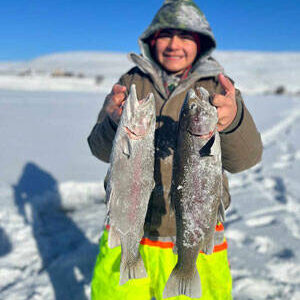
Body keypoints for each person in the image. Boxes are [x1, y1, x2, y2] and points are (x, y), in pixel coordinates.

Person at [88, 0, 263, 299]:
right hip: (131, 228)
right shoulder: (132, 82)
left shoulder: (219, 87)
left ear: (201, 43)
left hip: (199, 233)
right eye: (165, 35)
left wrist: (233, 121)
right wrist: (111, 123)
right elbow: (100, 150)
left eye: (185, 37)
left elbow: (246, 158)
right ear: (151, 40)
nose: (174, 45)